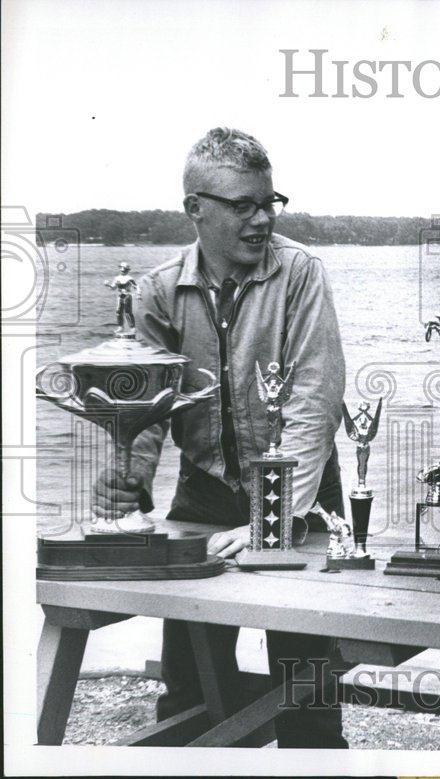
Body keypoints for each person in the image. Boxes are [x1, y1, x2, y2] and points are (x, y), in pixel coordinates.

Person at [91, 127, 350, 748]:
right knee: (188, 685)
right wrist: (127, 475)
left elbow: (315, 402)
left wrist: (278, 517)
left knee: (308, 685)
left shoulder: (302, 274)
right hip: (204, 490)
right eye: (243, 205)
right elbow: (144, 408)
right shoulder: (155, 290)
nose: (262, 219)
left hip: (303, 488)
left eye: (269, 202)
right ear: (195, 209)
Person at [104, 262, 137, 333]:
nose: (122, 270)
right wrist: (108, 285)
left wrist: (138, 294)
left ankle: (132, 328)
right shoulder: (117, 278)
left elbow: (136, 287)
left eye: (124, 268)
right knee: (118, 311)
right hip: (120, 296)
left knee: (128, 312)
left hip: (127, 296)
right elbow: (113, 288)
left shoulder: (129, 278)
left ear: (127, 270)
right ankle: (120, 326)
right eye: (121, 268)